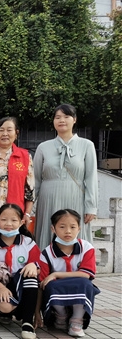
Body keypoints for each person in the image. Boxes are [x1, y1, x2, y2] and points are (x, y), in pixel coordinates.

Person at [33, 104, 98, 250]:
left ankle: (78, 263)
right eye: (57, 117)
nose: (61, 120)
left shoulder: (86, 145)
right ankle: (45, 262)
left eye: (66, 116)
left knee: (74, 233)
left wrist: (91, 206)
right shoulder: (43, 147)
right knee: (48, 235)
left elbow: (91, 178)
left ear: (74, 119)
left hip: (76, 197)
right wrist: (29, 208)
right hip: (48, 199)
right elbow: (35, 180)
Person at [0, 204, 42, 339]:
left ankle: (27, 323)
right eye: (4, 220)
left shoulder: (29, 243)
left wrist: (33, 265)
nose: (9, 224)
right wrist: (1, 288)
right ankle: (8, 313)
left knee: (31, 277)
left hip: (23, 286)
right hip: (0, 285)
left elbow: (39, 267)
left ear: (21, 222)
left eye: (14, 220)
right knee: (4, 306)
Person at [39, 209, 100, 337]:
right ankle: (61, 316)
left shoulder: (86, 248)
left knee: (85, 283)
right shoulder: (47, 253)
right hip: (57, 299)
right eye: (62, 227)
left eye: (73, 227)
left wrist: (55, 275)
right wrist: (36, 313)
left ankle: (76, 321)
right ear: (53, 229)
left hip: (78, 295)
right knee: (50, 285)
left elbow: (85, 274)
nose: (68, 231)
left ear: (79, 229)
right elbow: (42, 283)